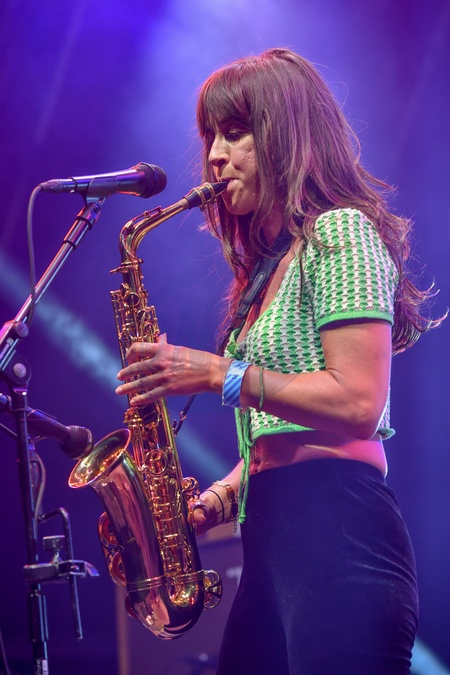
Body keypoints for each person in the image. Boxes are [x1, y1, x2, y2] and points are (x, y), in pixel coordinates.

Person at [115, 48, 443, 674]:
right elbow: (285, 430)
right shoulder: (269, 267)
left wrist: (220, 373)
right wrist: (216, 500)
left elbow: (357, 402)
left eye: (235, 132)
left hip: (340, 532)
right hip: (271, 538)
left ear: (287, 135)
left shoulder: (341, 231)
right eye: (211, 136)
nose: (215, 155)